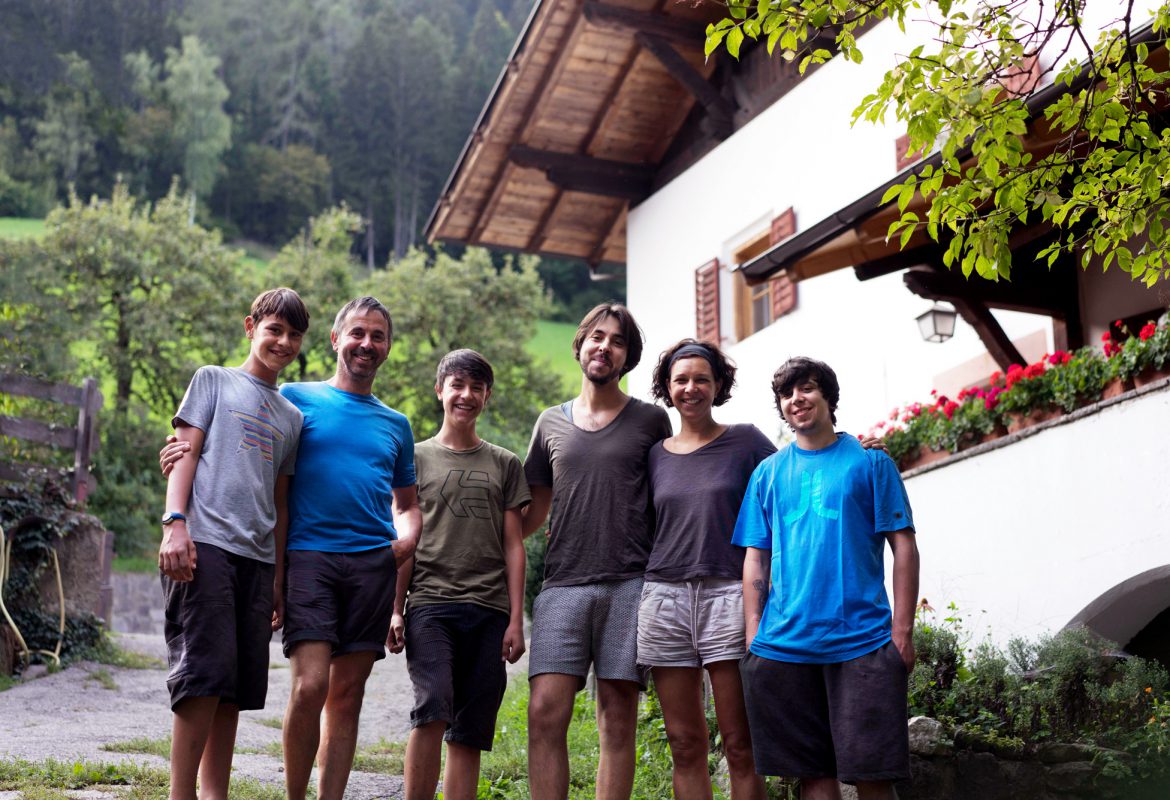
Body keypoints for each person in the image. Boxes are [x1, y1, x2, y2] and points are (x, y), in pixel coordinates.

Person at [162, 296, 421, 800]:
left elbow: (403, 504)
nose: (366, 343)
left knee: (314, 693)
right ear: (335, 340)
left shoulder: (378, 422)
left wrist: (406, 539)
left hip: (346, 564)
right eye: (357, 333)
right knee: (299, 685)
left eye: (378, 336)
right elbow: (206, 438)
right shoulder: (290, 398)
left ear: (388, 347)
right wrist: (175, 498)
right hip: (294, 556)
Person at [733, 357, 920, 800]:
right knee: (813, 776)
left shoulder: (872, 463)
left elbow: (905, 547)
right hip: (784, 646)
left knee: (874, 776)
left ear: (828, 397)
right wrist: (753, 635)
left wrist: (903, 632)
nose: (797, 399)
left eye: (808, 388)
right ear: (781, 407)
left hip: (864, 641)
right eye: (787, 394)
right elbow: (755, 559)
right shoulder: (767, 474)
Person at [159, 287, 309, 800]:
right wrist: (174, 522)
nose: (283, 341)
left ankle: (214, 795)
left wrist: (278, 579)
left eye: (293, 334)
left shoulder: (292, 418)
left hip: (257, 560)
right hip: (204, 544)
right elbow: (183, 454)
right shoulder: (213, 381)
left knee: (234, 688)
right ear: (251, 327)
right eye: (274, 329)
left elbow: (281, 501)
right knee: (201, 674)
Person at [522, 302, 673, 800]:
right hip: (563, 584)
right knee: (545, 712)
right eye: (596, 336)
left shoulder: (652, 420)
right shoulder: (549, 423)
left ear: (626, 356)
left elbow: (671, 495)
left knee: (617, 717)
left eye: (617, 341)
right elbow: (532, 513)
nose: (604, 346)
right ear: (580, 344)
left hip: (631, 583)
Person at [387, 349, 529, 800]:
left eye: (476, 388)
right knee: (432, 707)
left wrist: (514, 620)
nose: (466, 395)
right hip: (430, 604)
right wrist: (394, 608)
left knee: (471, 727)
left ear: (486, 396)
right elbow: (405, 537)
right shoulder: (415, 458)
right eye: (457, 385)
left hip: (489, 610)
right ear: (440, 390)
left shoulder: (504, 463)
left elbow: (513, 544)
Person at [639, 340, 775, 800]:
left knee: (740, 743)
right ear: (666, 388)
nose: (691, 388)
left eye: (702, 379)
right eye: (681, 380)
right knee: (685, 744)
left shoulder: (748, 441)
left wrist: (853, 445)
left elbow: (798, 472)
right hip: (664, 598)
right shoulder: (654, 455)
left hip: (730, 597)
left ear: (719, 386)